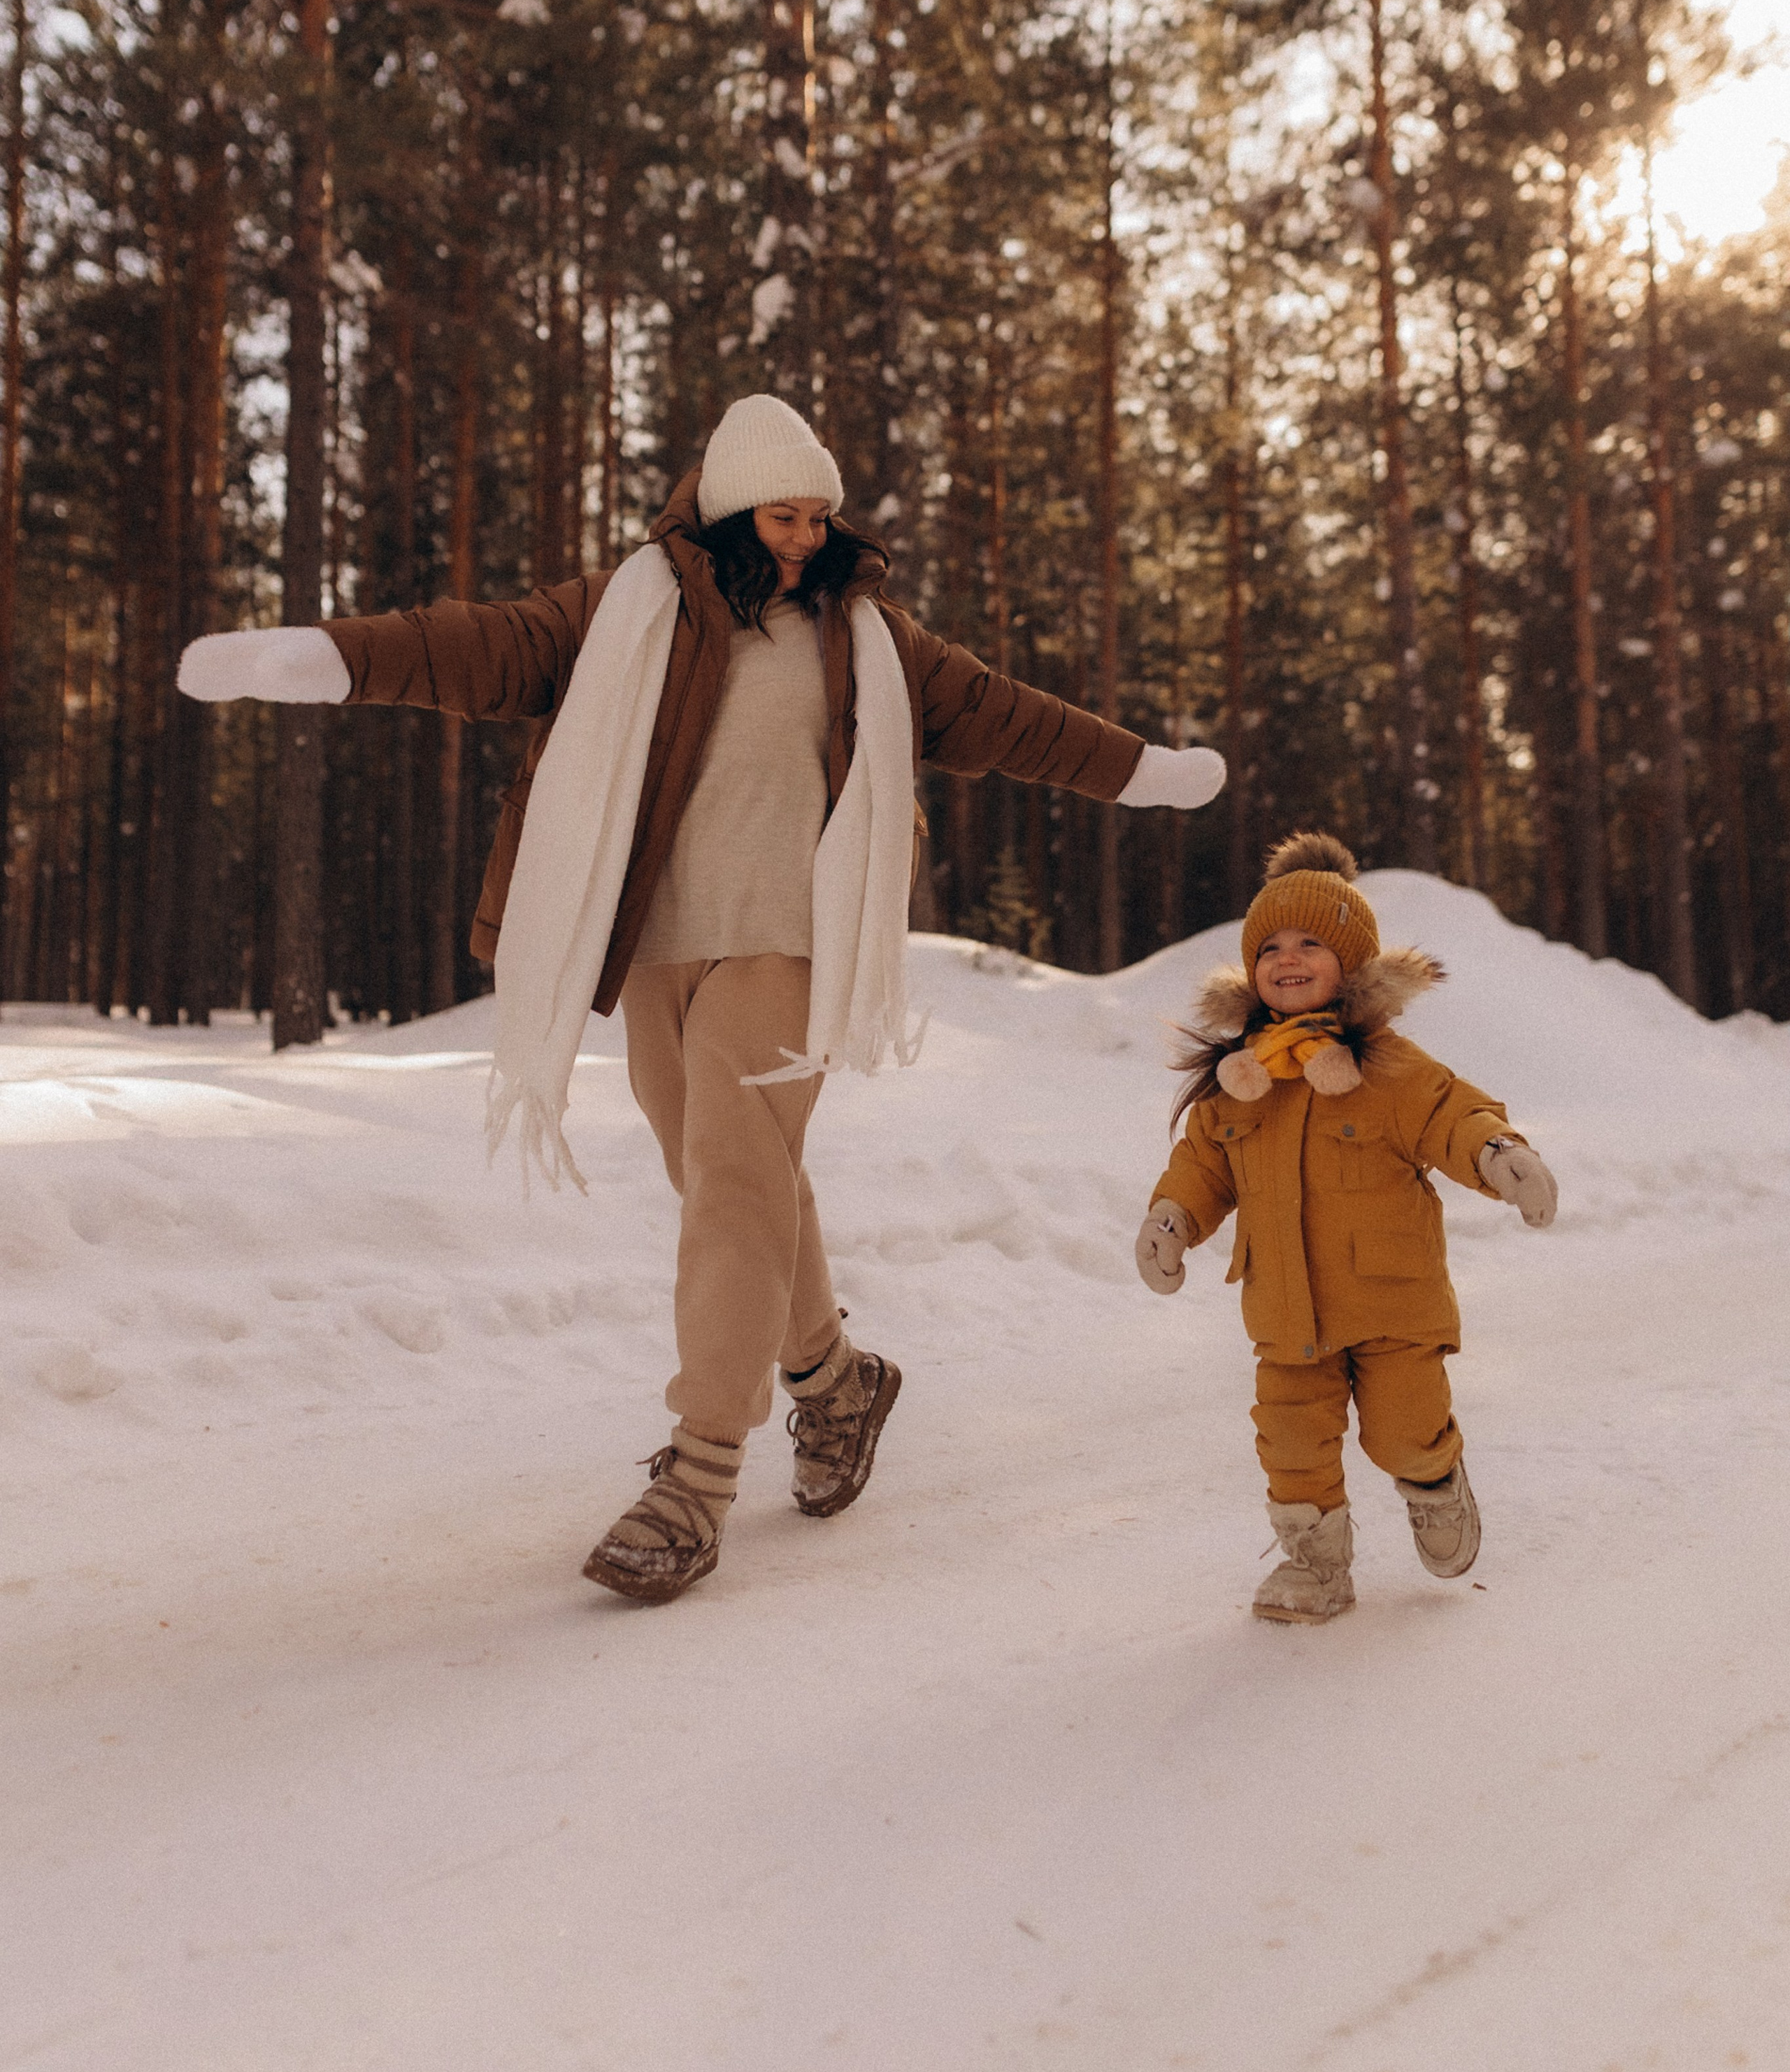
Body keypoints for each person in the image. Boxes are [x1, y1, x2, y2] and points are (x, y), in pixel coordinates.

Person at [179, 394, 1227, 1604]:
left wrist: (1142, 770)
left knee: (734, 1182)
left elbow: (1006, 718)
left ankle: (697, 1475)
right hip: (660, 944)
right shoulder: (628, 609)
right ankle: (837, 1384)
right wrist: (327, 655)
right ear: (728, 507)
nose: (803, 537)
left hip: (788, 937)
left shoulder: (865, 636)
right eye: (783, 514)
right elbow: (483, 647)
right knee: (738, 1180)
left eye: (820, 516)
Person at [1135, 831, 1557, 1624]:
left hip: (1394, 1305)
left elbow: (1452, 1116)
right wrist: (1171, 1219)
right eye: (1270, 947)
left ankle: (1433, 1479)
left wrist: (1499, 1155)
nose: (1287, 959)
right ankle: (1315, 1567)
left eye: (1311, 944)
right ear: (1251, 969)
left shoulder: (1393, 1070)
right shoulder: (1238, 1085)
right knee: (1290, 1446)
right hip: (1284, 1308)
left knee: (1401, 1432)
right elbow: (1202, 1166)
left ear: (1352, 965)